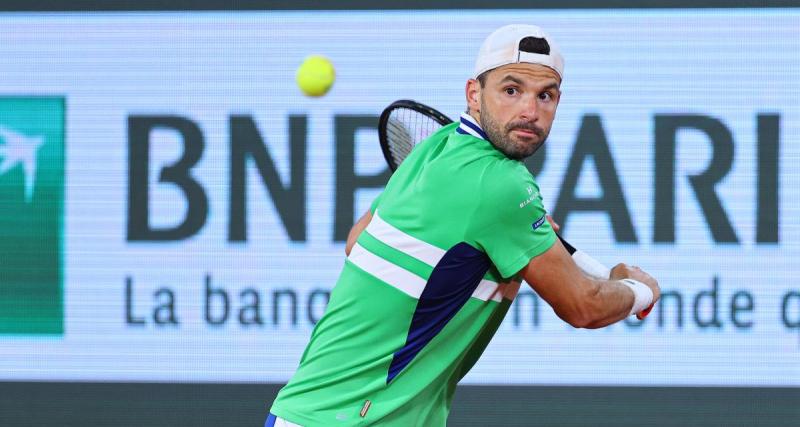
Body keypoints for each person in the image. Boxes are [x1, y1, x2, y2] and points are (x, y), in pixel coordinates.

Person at [266, 24, 660, 427]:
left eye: (546, 96)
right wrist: (636, 289)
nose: (530, 110)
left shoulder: (436, 148)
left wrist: (511, 246)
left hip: (304, 411)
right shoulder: (502, 183)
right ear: (474, 94)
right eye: (511, 90)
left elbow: (357, 241)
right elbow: (584, 307)